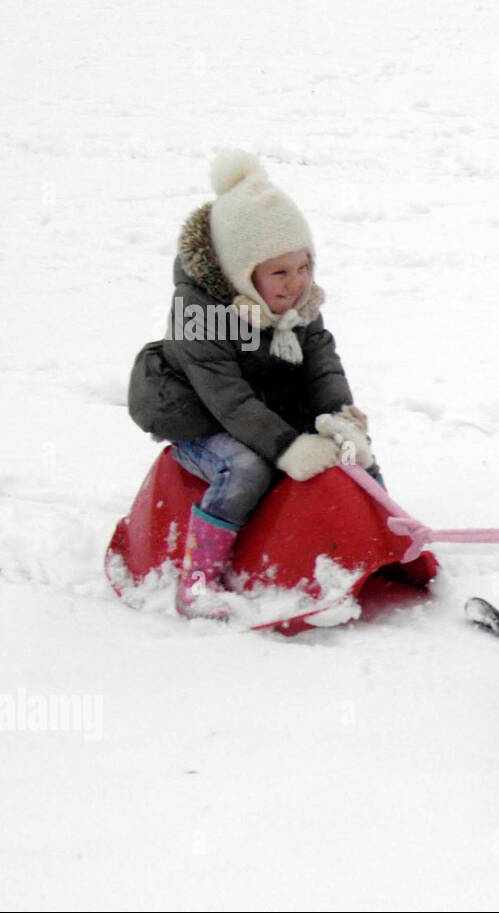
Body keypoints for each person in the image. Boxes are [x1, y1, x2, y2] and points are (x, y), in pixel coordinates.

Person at [128, 149, 376, 619]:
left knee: (345, 444)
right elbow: (228, 400)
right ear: (242, 272)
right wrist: (287, 447)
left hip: (264, 402)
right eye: (279, 272)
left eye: (303, 267)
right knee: (246, 468)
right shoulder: (198, 316)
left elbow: (320, 364)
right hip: (197, 414)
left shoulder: (299, 303)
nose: (295, 283)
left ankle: (380, 531)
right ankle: (197, 581)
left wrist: (339, 417)